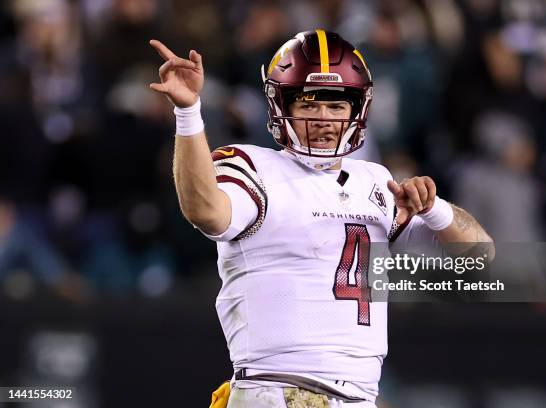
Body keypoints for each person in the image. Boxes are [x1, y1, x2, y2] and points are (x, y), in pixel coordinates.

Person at [149, 30, 494, 408]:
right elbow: (206, 212)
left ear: (357, 109)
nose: (324, 120)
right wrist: (187, 112)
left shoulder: (377, 182)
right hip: (279, 390)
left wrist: (436, 209)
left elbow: (478, 257)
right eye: (309, 105)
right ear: (281, 104)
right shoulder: (255, 167)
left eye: (336, 106)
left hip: (360, 398)